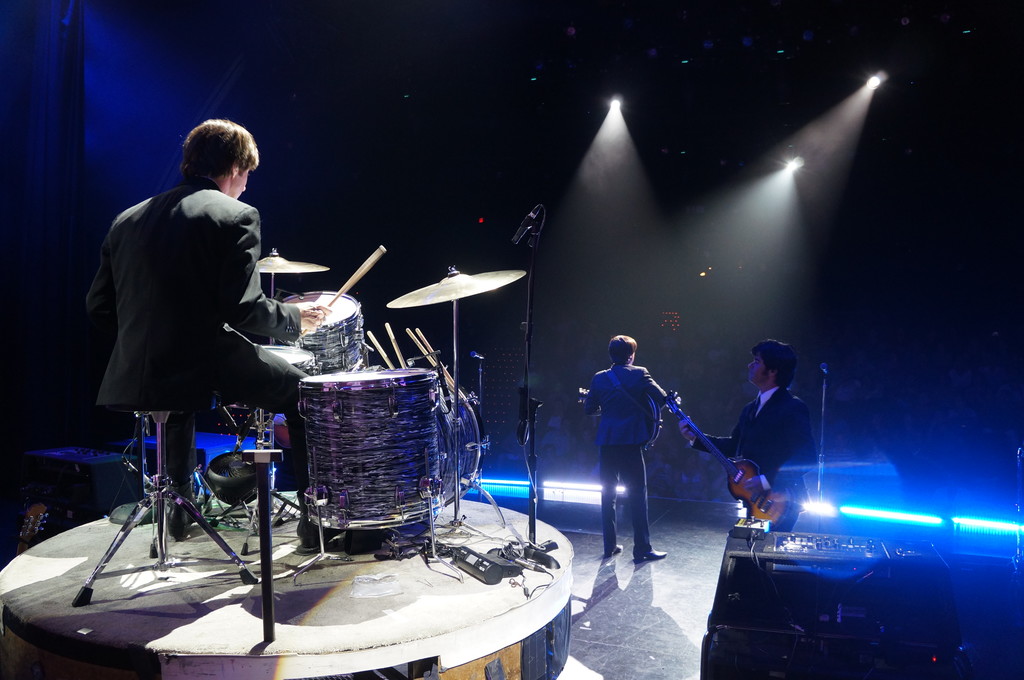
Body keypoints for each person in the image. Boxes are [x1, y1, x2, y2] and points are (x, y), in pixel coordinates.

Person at [86, 119, 329, 547]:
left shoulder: (127, 219)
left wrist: (146, 341)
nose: (247, 186)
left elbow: (98, 307)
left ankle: (178, 512)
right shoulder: (235, 216)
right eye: (247, 174)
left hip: (135, 369)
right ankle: (316, 521)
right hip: (199, 355)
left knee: (177, 400)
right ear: (235, 168)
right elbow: (244, 309)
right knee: (306, 394)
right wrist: (295, 319)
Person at [678, 339, 816, 532]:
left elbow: (807, 457)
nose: (750, 365)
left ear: (773, 370)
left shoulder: (792, 407)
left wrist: (766, 480)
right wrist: (696, 437)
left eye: (757, 361)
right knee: (749, 548)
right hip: (756, 502)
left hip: (781, 500)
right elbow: (734, 446)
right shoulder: (750, 409)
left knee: (767, 548)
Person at [583, 335, 668, 563]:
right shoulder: (640, 373)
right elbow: (661, 399)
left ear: (611, 354)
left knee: (608, 495)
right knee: (637, 495)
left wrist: (609, 407)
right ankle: (642, 549)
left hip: (607, 442)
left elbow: (589, 409)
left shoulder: (599, 378)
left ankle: (609, 546)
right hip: (631, 442)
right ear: (631, 355)